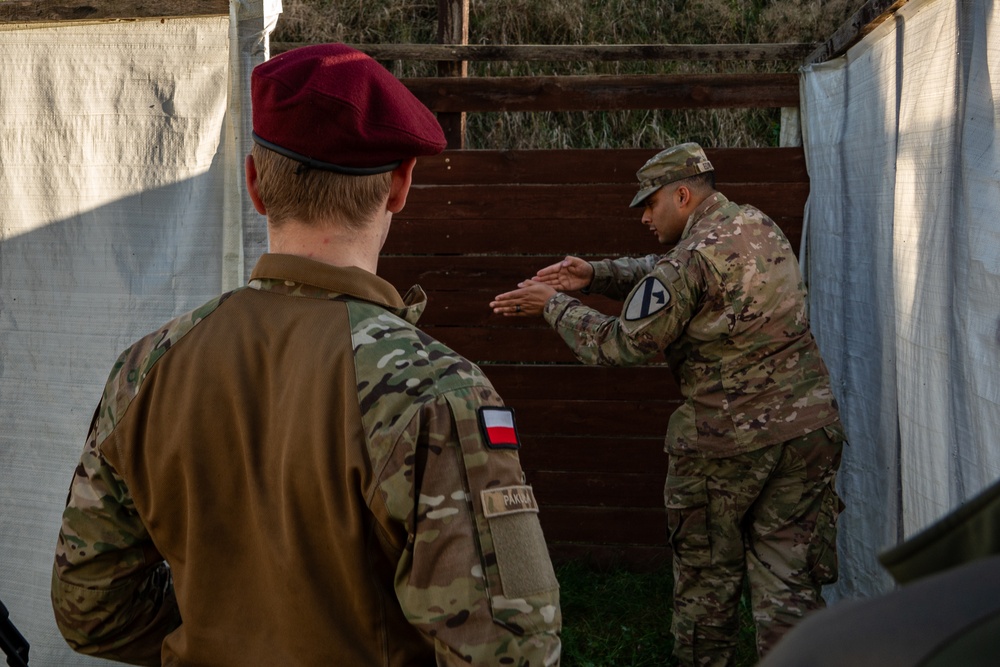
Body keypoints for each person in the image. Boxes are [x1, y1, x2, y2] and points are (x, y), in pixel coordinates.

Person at [52, 43, 561, 666]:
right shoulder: (438, 396)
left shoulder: (150, 367)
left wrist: (221, 628)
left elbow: (91, 608)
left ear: (254, 185)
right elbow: (513, 653)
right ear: (400, 184)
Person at [490, 143, 843, 666]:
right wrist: (598, 274)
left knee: (706, 589)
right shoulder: (753, 224)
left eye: (650, 205)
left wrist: (554, 305)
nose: (644, 217)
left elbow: (618, 343)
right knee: (790, 588)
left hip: (725, 443)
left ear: (682, 194)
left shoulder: (690, 258)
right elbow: (672, 272)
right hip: (807, 433)